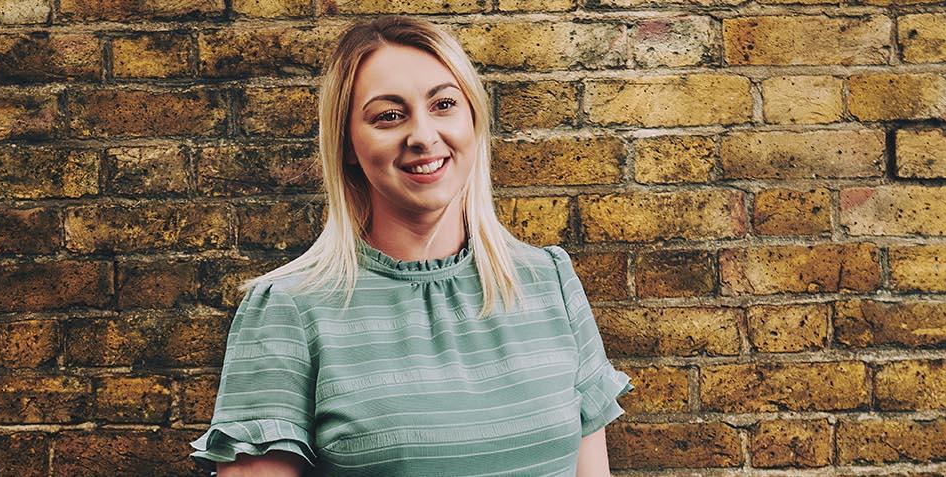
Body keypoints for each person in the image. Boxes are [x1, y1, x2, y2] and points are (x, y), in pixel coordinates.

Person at [187, 15, 636, 477]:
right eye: (389, 115)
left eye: (443, 104)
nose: (422, 136)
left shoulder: (550, 281)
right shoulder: (289, 309)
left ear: (473, 120)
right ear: (346, 144)